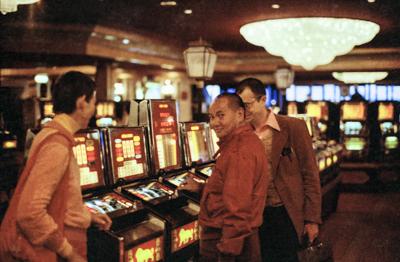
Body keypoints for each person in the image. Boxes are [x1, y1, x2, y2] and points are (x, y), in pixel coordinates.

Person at [0, 71, 112, 262]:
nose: (94, 109)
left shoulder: (50, 133)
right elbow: (30, 213)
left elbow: (61, 198)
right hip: (55, 250)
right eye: (93, 101)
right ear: (81, 102)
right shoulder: (56, 145)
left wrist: (87, 216)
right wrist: (69, 253)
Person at [237, 78, 322, 262]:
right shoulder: (241, 133)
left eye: (248, 104)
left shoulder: (293, 127)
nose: (245, 110)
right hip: (254, 215)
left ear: (263, 99)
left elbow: (310, 174)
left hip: (286, 212)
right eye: (241, 106)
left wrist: (312, 219)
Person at [197, 93, 269, 262]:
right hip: (239, 238)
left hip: (227, 241)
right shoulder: (244, 142)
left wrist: (228, 250)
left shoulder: (238, 149)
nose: (214, 123)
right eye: (212, 117)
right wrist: (202, 188)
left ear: (239, 114)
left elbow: (238, 207)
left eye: (221, 116)